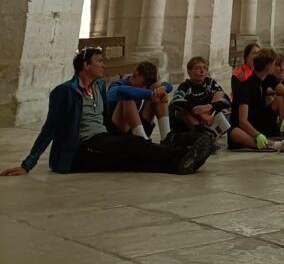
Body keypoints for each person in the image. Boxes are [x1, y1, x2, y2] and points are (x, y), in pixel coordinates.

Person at [0, 47, 216, 176]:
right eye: (99, 61)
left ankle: (180, 164)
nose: (103, 65)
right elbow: (50, 128)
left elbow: (104, 119)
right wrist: (27, 164)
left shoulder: (99, 86)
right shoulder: (63, 92)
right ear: (86, 66)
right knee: (132, 145)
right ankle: (183, 154)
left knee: (129, 157)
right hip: (81, 150)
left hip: (101, 138)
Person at [228, 48, 284, 152]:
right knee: (234, 133)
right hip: (245, 127)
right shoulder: (245, 88)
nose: (275, 67)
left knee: (280, 98)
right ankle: (277, 145)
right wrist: (256, 134)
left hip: (259, 121)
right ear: (268, 67)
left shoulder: (268, 78)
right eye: (274, 64)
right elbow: (242, 121)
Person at [106, 61, 174, 142]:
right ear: (135, 75)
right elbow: (121, 91)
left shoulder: (145, 87)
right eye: (143, 84)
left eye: (146, 86)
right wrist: (151, 94)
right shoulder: (117, 84)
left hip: (137, 129)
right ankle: (144, 142)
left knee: (157, 89)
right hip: (119, 132)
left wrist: (163, 89)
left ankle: (166, 139)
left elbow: (168, 85)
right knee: (127, 98)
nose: (144, 88)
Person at [170, 56, 231, 138]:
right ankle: (201, 134)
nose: (202, 71)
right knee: (180, 111)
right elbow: (176, 100)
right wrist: (200, 114)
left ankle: (209, 131)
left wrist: (210, 107)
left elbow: (226, 101)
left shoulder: (210, 82)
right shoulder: (185, 86)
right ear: (189, 72)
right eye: (198, 68)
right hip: (192, 122)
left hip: (209, 117)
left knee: (219, 93)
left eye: (204, 68)